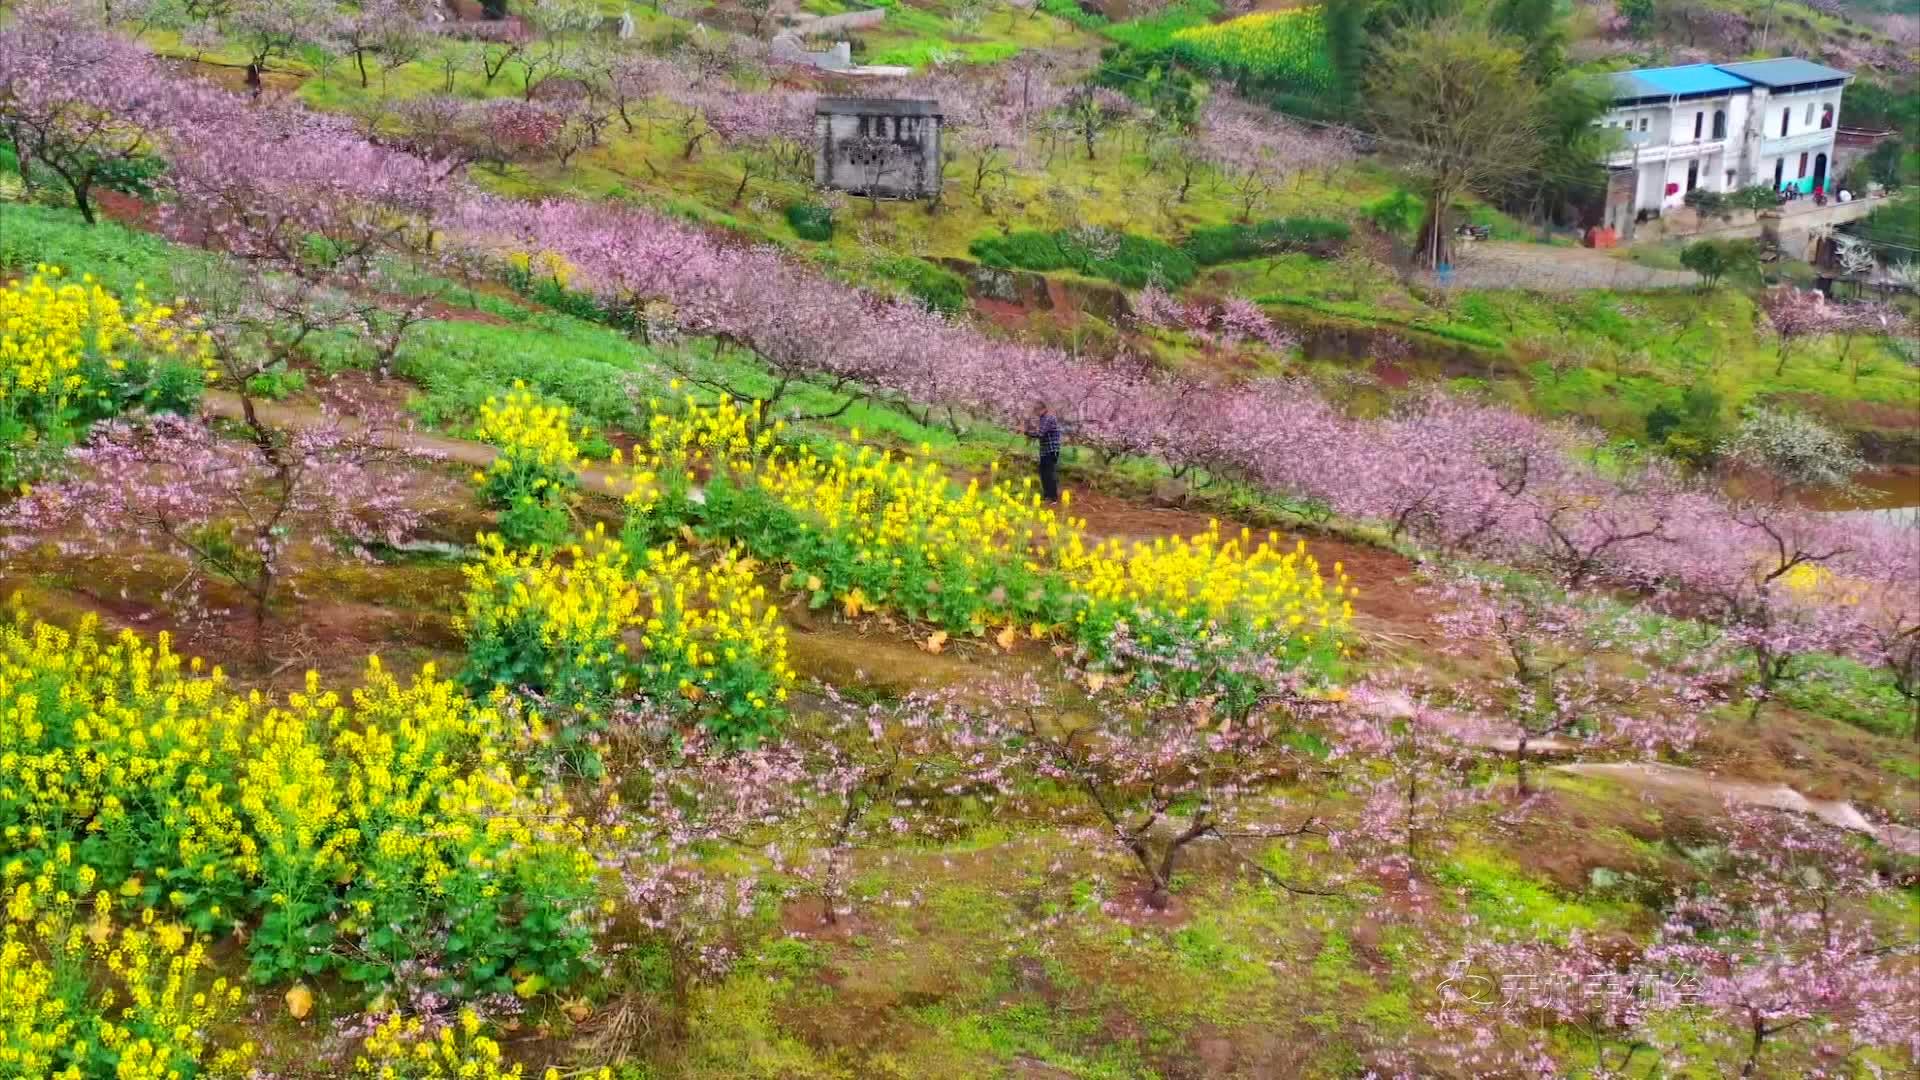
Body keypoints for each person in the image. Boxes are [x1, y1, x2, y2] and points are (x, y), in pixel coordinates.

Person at [1024, 400, 1063, 504]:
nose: (1036, 412)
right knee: (1043, 473)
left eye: (1037, 410)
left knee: (1049, 473)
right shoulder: (1043, 418)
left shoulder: (1048, 418)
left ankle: (1052, 498)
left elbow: (1040, 433)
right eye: (1035, 411)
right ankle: (1046, 496)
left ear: (1044, 409)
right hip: (1045, 450)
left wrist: (1026, 432)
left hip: (1051, 450)